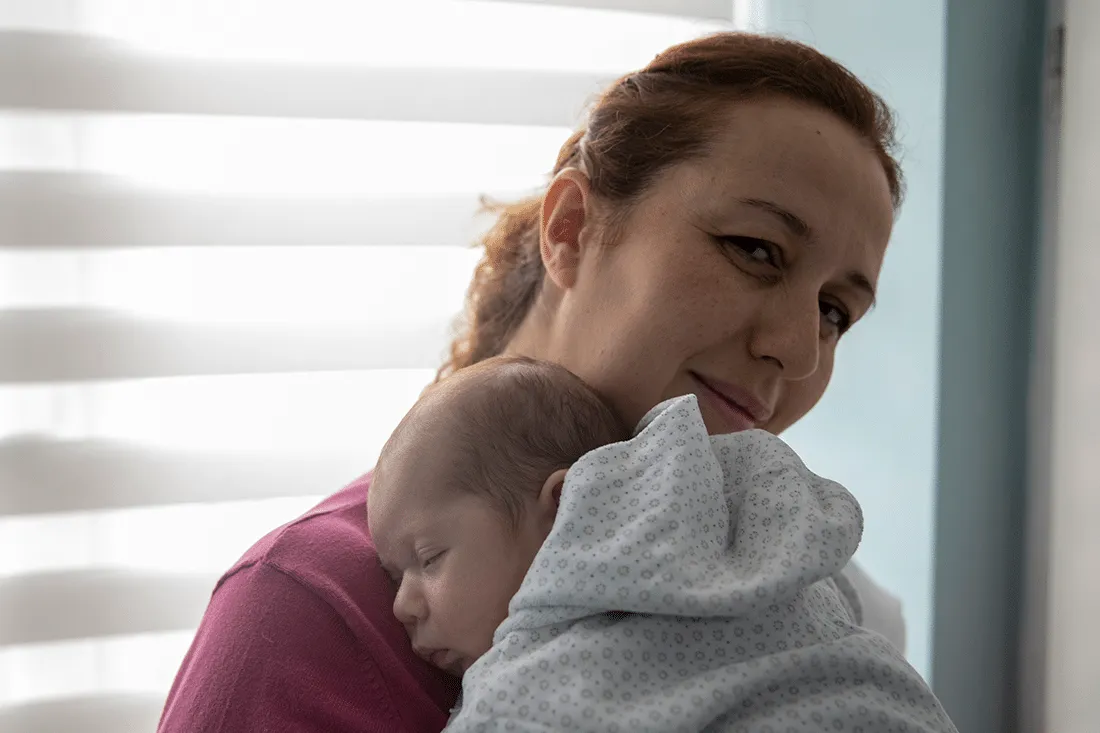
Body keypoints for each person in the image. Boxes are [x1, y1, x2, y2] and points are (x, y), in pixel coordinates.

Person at [158, 31, 913, 733]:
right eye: (754, 248)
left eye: (835, 312)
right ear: (570, 229)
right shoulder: (312, 612)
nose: (798, 351)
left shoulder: (818, 602)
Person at [368, 356, 956, 732]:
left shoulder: (535, 680)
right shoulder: (767, 536)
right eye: (395, 576)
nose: (401, 606)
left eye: (429, 559)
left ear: (563, 507)